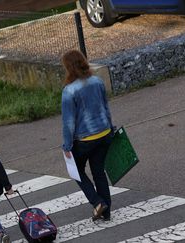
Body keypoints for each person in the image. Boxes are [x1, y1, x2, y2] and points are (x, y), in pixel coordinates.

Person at [60, 50, 114, 221]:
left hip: (85, 139)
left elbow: (69, 122)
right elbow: (105, 107)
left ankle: (98, 202)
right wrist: (111, 128)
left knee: (77, 172)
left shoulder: (69, 91)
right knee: (98, 172)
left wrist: (67, 146)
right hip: (105, 133)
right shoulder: (97, 81)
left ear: (68, 68)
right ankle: (106, 212)